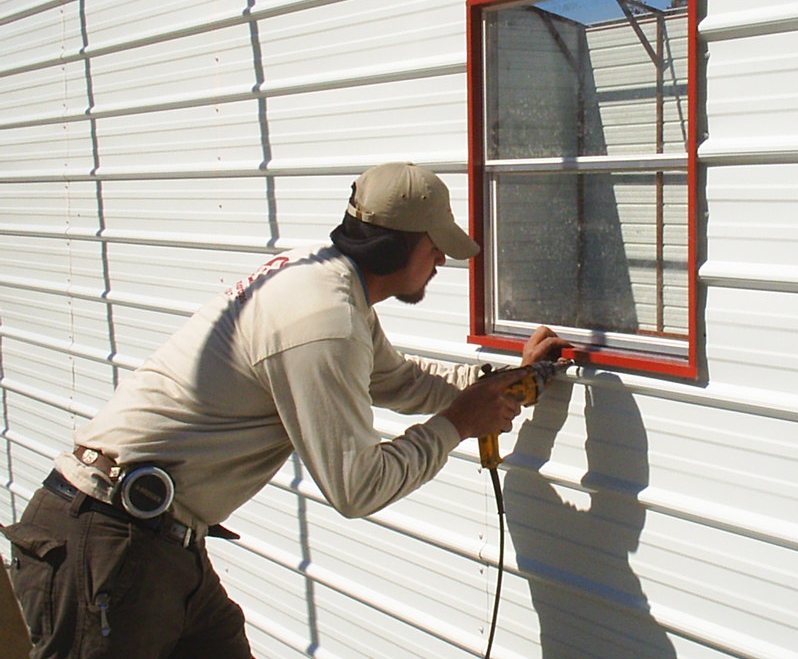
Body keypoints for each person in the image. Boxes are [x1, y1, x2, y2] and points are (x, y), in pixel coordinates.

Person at [2, 161, 570, 659]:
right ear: (394, 246)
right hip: (107, 544)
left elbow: (395, 379)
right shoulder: (321, 320)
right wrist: (457, 426)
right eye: (434, 244)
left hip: (155, 541)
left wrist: (502, 380)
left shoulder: (324, 280)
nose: (442, 258)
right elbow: (357, 487)